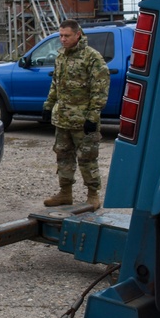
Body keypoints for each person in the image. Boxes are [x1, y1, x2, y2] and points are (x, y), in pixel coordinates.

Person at [41, 19, 110, 210]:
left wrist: (93, 116)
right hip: (62, 119)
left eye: (66, 36)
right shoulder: (61, 56)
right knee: (63, 156)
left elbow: (100, 89)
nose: (62, 39)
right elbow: (55, 84)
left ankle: (93, 195)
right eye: (60, 36)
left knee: (87, 159)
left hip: (83, 120)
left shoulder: (92, 58)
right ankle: (65, 193)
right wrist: (48, 106)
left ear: (77, 35)